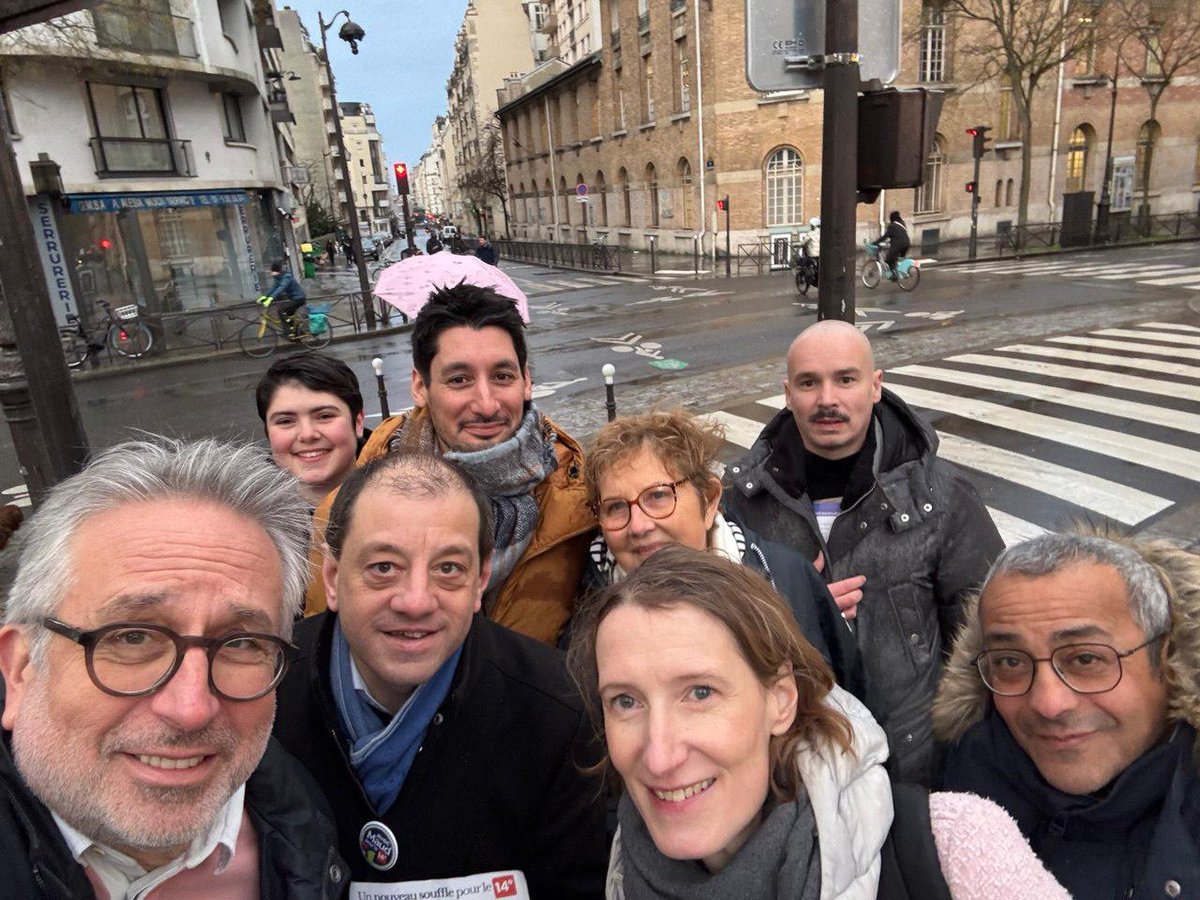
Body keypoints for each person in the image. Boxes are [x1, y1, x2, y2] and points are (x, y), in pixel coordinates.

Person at [568, 545, 1069, 900]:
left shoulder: (955, 850)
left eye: (700, 693)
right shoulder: (619, 872)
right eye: (625, 701)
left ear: (781, 700)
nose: (659, 756)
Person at [0, 438, 347, 898]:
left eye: (241, 643)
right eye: (132, 637)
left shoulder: (309, 824)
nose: (191, 709)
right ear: (21, 668)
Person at [274, 451, 609, 896]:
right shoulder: (264, 693)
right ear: (332, 579)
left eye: (448, 568)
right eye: (383, 567)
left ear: (480, 580)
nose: (416, 601)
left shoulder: (558, 713)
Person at [724, 320, 1003, 784]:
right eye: (809, 383)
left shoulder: (941, 498)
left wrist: (965, 751)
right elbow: (718, 633)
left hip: (913, 770)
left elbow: (987, 638)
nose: (827, 399)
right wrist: (794, 612)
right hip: (793, 770)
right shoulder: (743, 502)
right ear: (788, 394)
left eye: (845, 379)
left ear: (876, 387)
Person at [313, 283, 594, 645]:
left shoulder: (578, 500)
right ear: (420, 387)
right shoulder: (341, 515)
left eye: (502, 376)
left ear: (526, 381)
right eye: (459, 380)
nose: (486, 404)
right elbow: (322, 646)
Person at [935, 529, 1200, 900]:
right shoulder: (969, 768)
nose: (1048, 704)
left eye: (1086, 659)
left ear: (1165, 655)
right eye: (1010, 662)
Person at [582, 409, 859, 690]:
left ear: (709, 500)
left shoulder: (786, 580)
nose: (638, 526)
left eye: (658, 495)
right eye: (615, 507)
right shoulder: (585, 612)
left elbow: (845, 696)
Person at [255, 351, 369, 508]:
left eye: (324, 416)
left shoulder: (403, 497)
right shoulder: (241, 515)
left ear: (358, 422)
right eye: (286, 421)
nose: (307, 434)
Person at [259, 259, 306, 340]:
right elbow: (274, 287)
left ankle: (288, 332)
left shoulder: (286, 277)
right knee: (289, 314)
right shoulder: (279, 277)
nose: (271, 273)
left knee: (282, 311)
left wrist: (271, 298)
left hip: (299, 298)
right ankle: (296, 332)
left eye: (273, 271)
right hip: (293, 298)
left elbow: (281, 288)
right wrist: (264, 296)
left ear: (278, 271)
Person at [879, 210, 911, 277]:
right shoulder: (902, 223)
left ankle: (894, 276)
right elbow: (898, 235)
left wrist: (875, 243)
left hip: (898, 245)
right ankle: (902, 272)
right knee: (899, 259)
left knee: (888, 260)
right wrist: (890, 241)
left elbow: (885, 236)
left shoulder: (892, 226)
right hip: (907, 244)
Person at [798, 216, 821, 285]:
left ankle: (809, 277)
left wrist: (796, 244)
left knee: (803, 264)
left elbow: (803, 242)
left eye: (811, 225)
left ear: (813, 225)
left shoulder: (811, 233)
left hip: (812, 255)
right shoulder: (821, 232)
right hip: (820, 254)